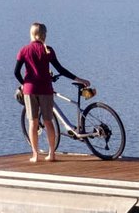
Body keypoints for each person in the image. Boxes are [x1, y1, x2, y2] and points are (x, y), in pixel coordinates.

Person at [14, 22, 86, 163]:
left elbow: (16, 72)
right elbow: (60, 69)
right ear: (44, 35)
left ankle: (35, 155)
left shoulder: (24, 50)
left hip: (30, 90)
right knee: (48, 122)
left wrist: (23, 84)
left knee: (33, 123)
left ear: (31, 34)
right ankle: (52, 154)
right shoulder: (48, 50)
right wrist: (79, 79)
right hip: (46, 89)